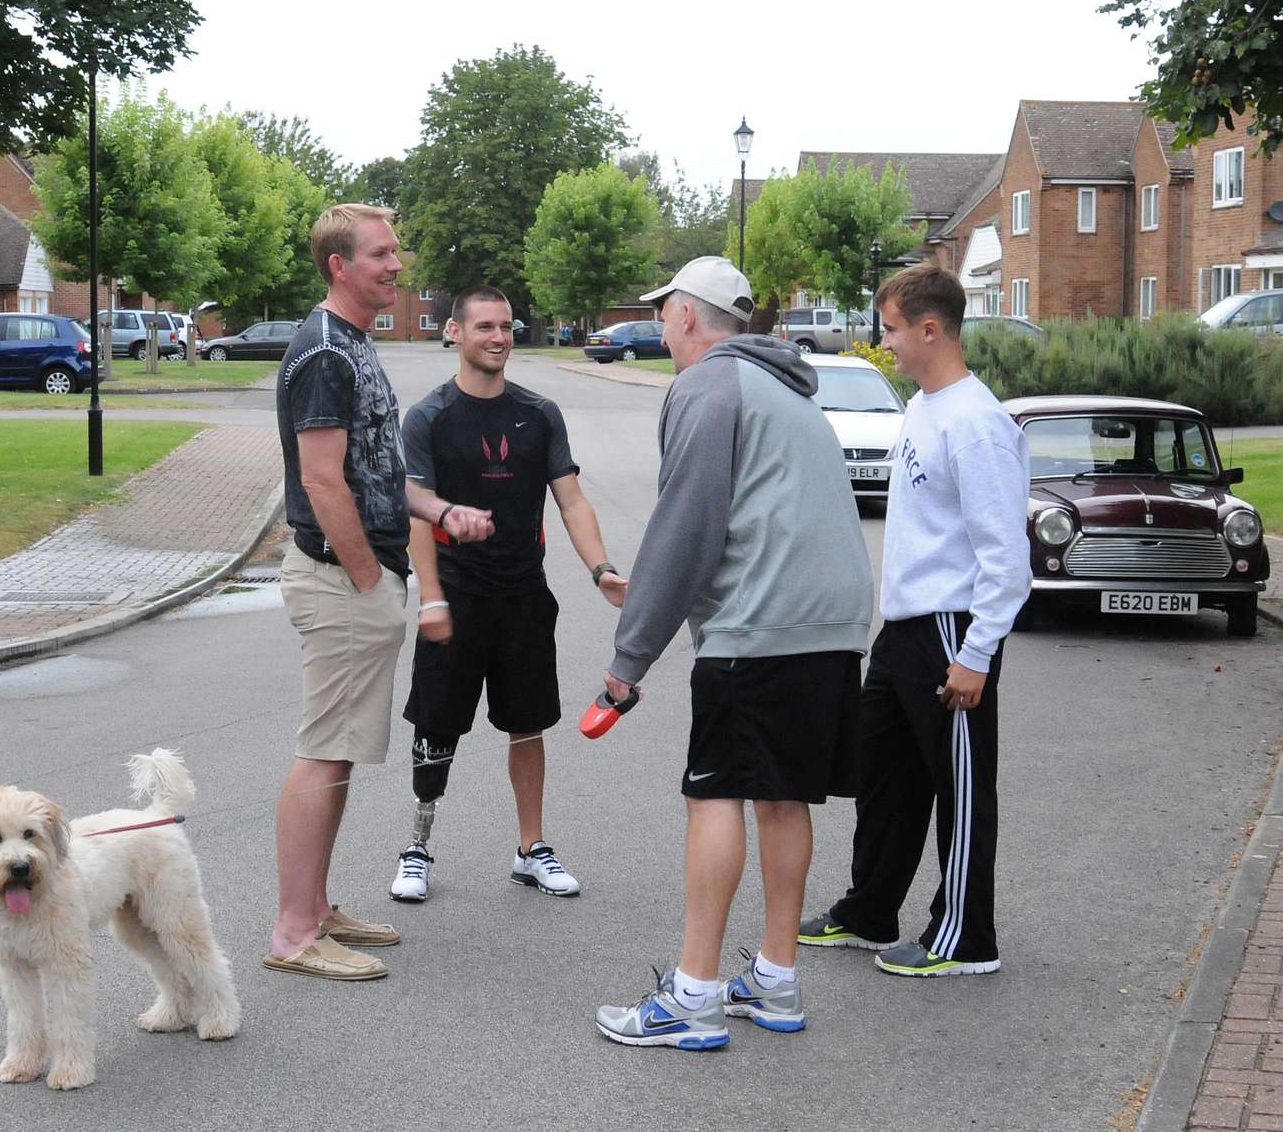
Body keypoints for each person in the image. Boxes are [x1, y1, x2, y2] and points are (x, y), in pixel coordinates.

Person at [593, 257, 874, 1049]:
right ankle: (777, 980)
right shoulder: (786, 388)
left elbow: (688, 522)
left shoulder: (707, 386)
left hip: (758, 627)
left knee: (713, 794)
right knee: (784, 796)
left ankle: (693, 993)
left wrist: (629, 659)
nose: (661, 328)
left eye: (665, 314)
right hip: (828, 625)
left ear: (688, 315)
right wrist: (657, 592)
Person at [268, 203, 492, 981]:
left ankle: (316, 906)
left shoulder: (352, 344)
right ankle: (295, 931)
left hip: (358, 577)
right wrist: (369, 578)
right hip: (340, 580)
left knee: (340, 755)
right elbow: (323, 479)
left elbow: (378, 471)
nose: (398, 265)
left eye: (397, 251)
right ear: (339, 265)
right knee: (323, 752)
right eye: (381, 254)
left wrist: (440, 510)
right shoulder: (326, 352)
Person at [798, 263, 1029, 977]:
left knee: (959, 789)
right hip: (903, 629)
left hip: (952, 630)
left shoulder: (977, 423)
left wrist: (978, 654)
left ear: (931, 329)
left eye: (892, 330)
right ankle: (871, 909)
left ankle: (965, 937)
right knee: (885, 778)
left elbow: (1006, 557)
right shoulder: (924, 406)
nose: (885, 343)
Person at [390, 285, 627, 904]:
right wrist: (432, 597)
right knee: (436, 729)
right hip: (458, 596)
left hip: (523, 595)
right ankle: (417, 847)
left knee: (527, 726)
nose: (498, 337)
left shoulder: (539, 413)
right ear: (455, 333)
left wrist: (600, 568)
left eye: (506, 327)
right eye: (485, 327)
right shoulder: (429, 418)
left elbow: (570, 499)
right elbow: (418, 515)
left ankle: (531, 849)